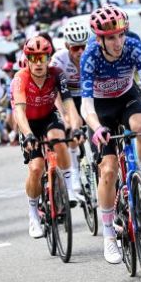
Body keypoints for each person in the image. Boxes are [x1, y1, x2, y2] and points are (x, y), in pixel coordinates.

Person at [81, 6, 141, 264]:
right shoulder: (90, 56)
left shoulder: (133, 46)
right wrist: (97, 127)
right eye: (111, 37)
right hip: (100, 109)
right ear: (99, 39)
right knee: (108, 170)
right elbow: (86, 104)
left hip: (127, 97)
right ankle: (109, 235)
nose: (118, 42)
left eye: (121, 35)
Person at [11, 36, 84, 238]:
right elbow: (19, 111)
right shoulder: (21, 78)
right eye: (33, 58)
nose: (38, 62)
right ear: (27, 60)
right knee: (36, 168)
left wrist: (75, 126)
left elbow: (69, 104)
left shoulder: (56, 74)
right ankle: (33, 213)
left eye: (42, 57)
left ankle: (69, 189)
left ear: (48, 58)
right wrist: (27, 135)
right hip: (28, 122)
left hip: (48, 116)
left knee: (59, 139)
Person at [50, 19, 90, 194]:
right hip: (67, 98)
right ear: (67, 46)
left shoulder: (91, 54)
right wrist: (64, 115)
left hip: (88, 95)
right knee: (74, 127)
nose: (80, 52)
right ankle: (74, 171)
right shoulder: (58, 59)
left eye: (83, 46)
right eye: (75, 48)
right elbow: (54, 90)